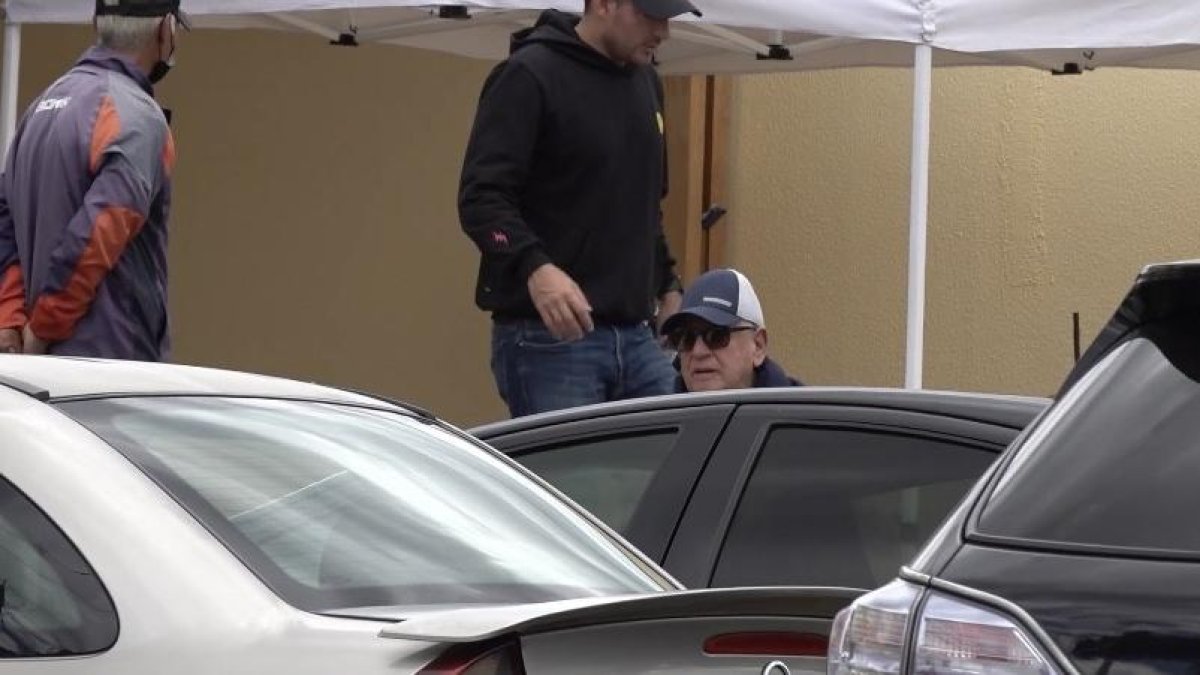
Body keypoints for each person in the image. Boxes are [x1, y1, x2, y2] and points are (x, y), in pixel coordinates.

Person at [459, 0, 701, 417]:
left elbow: (644, 208)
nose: (664, 31)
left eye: (669, 17)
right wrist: (536, 269)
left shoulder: (647, 83)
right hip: (549, 340)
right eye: (651, 15)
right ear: (604, 4)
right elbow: (482, 198)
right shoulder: (530, 75)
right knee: (570, 482)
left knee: (673, 470)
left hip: (639, 336)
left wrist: (668, 284)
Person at [0, 0, 189, 359]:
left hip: (35, 364)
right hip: (111, 364)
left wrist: (10, 320)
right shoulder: (139, 117)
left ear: (96, 23)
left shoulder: (41, 106)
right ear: (166, 29)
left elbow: (4, 219)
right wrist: (43, 326)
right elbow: (101, 228)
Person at [661, 268, 802, 391]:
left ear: (758, 346)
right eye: (686, 339)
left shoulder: (804, 417)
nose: (698, 352)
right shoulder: (658, 418)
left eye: (716, 336)